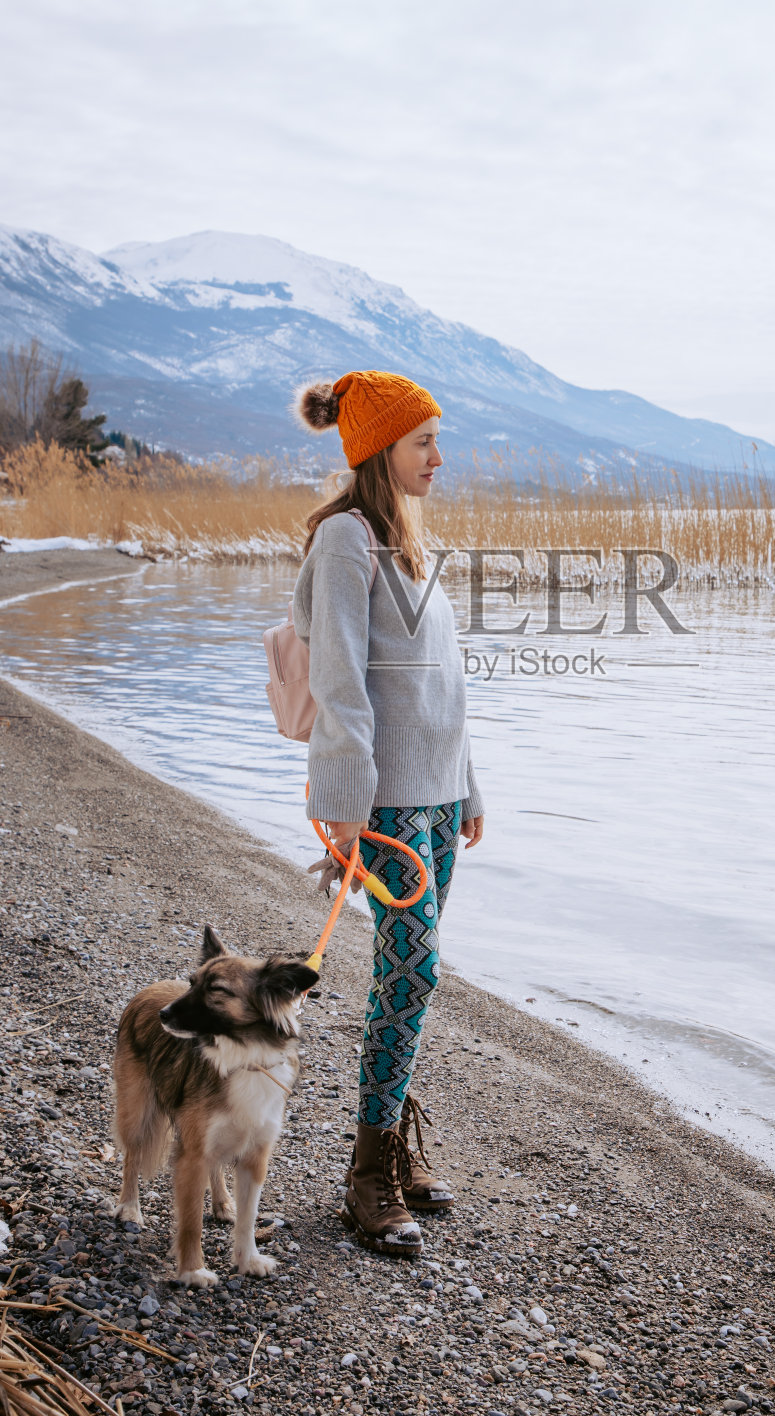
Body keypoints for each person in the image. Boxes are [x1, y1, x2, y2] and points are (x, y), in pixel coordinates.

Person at [291, 369, 485, 1258]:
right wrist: (342, 810)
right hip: (388, 805)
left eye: (438, 441)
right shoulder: (343, 540)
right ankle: (366, 1176)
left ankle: (393, 1148)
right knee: (413, 975)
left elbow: (439, 684)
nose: (439, 458)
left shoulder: (406, 539)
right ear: (379, 449)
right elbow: (340, 683)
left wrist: (469, 787)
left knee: (406, 981)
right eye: (423, 442)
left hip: (438, 800)